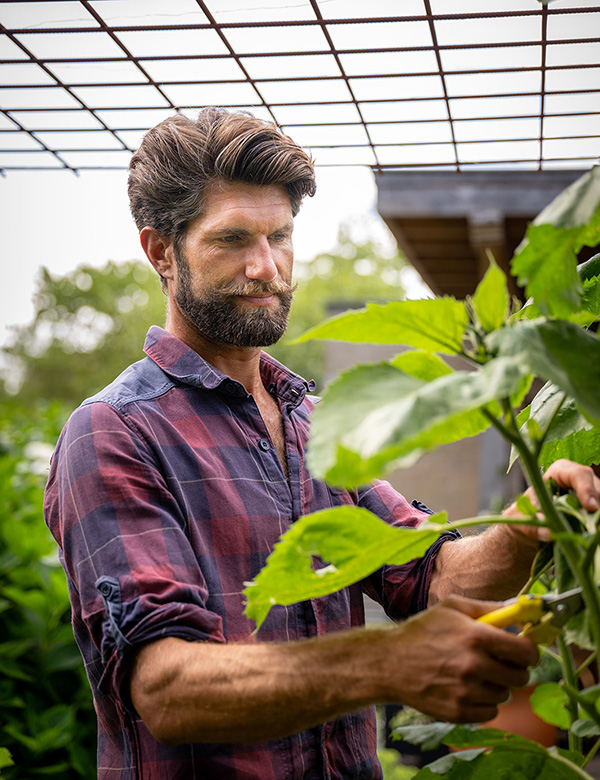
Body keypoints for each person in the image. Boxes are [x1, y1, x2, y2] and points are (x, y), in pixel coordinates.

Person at [44, 107, 600, 780]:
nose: (266, 266)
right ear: (162, 251)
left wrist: (526, 529)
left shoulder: (313, 420)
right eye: (232, 239)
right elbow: (166, 688)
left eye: (280, 236)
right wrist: (382, 664)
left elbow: (429, 575)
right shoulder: (115, 431)